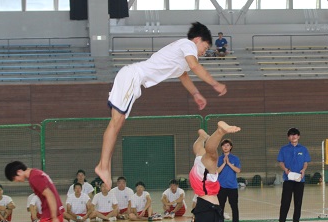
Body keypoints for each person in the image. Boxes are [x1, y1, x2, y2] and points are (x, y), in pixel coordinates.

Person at [95, 22, 228, 187]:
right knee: (115, 122)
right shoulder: (187, 45)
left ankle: (103, 166)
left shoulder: (182, 57)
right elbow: (194, 66)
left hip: (133, 79)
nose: (204, 52)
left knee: (118, 122)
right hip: (132, 76)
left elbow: (184, 75)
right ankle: (103, 166)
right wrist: (215, 84)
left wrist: (196, 94)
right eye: (205, 47)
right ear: (197, 40)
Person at [277, 127, 311, 222]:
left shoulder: (303, 149)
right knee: (285, 202)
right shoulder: (284, 149)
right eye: (291, 135)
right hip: (288, 179)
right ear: (288, 137)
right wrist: (285, 170)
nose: (294, 136)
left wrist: (304, 170)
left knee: (298, 202)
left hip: (300, 180)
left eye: (295, 134)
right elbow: (281, 162)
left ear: (299, 136)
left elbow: (306, 162)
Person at [217, 138, 241, 222]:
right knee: (220, 207)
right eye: (224, 145)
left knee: (234, 206)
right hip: (221, 186)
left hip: (232, 187)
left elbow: (238, 170)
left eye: (227, 145)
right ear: (222, 147)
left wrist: (229, 163)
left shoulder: (235, 158)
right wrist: (224, 163)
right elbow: (217, 171)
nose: (225, 147)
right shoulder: (219, 159)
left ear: (231, 147)